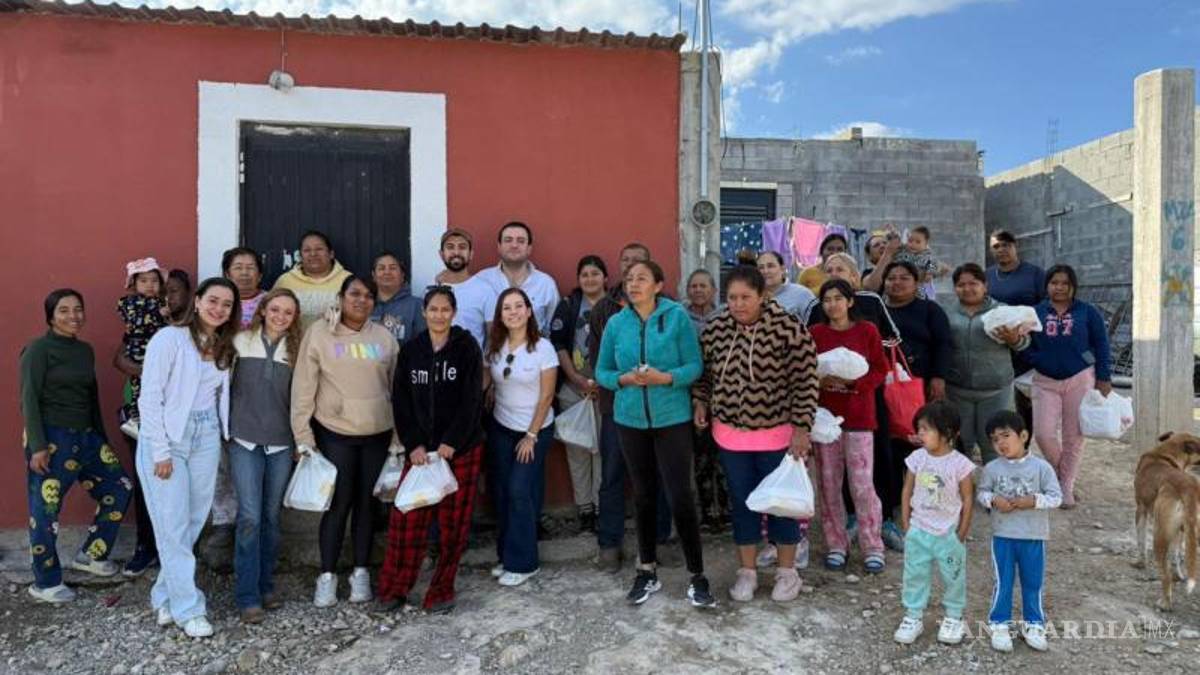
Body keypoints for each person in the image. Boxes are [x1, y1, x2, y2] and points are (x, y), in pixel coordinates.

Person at [693, 265, 818, 603]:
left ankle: (787, 572)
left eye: (745, 297)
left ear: (763, 296)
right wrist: (701, 401)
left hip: (779, 436)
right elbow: (705, 376)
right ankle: (747, 572)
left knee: (782, 504)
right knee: (743, 504)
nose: (738, 304)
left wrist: (802, 427)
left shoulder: (787, 328)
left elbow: (805, 381)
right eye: (732, 297)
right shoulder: (716, 328)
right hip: (730, 437)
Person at [596, 260, 716, 608]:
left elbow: (694, 366)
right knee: (643, 496)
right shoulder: (616, 323)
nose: (633, 285)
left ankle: (697, 575)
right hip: (630, 420)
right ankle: (646, 570)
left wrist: (666, 378)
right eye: (629, 279)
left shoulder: (676, 317)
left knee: (680, 495)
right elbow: (602, 371)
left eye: (642, 279)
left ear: (659, 285)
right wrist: (623, 379)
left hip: (672, 419)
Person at [137, 277, 240, 638]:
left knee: (194, 521)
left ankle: (164, 595)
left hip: (206, 434)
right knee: (172, 524)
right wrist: (161, 450)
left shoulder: (224, 346)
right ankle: (189, 608)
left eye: (226, 304)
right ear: (197, 301)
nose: (218, 309)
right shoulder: (169, 339)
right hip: (168, 438)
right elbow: (150, 398)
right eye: (213, 300)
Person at [291, 275, 399, 608]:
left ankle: (361, 572)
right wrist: (303, 436)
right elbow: (303, 387)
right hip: (335, 432)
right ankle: (327, 576)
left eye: (368, 296)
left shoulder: (384, 337)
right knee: (338, 506)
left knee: (367, 505)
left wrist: (398, 438)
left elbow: (397, 389)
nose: (361, 300)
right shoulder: (319, 334)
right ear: (340, 297)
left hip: (377, 434)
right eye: (354, 293)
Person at [21, 289, 132, 603]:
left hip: (86, 437)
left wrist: (101, 439)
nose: (73, 316)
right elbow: (28, 397)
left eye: (78, 309)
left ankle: (91, 555)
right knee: (45, 511)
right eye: (64, 310)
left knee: (120, 487)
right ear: (51, 316)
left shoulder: (84, 350)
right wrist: (38, 446)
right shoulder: (38, 350)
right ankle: (45, 583)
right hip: (51, 438)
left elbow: (91, 397)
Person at [379, 286, 484, 613]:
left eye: (445, 309)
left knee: (454, 526)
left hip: (460, 450)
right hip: (421, 454)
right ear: (424, 313)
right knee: (406, 521)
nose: (439, 315)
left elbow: (472, 399)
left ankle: (441, 590)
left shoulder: (467, 348)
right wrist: (413, 444)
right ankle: (394, 589)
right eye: (433, 309)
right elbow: (402, 401)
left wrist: (452, 441)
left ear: (454, 313)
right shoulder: (412, 350)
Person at [587, 242, 672, 572]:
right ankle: (609, 544)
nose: (631, 268)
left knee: (658, 476)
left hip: (659, 409)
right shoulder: (603, 310)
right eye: (626, 261)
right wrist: (622, 380)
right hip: (617, 407)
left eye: (638, 263)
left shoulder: (668, 309)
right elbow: (599, 362)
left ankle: (659, 541)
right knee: (612, 476)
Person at [227, 289, 302, 623]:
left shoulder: (297, 350)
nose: (280, 317)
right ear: (262, 310)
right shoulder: (240, 342)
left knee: (271, 517)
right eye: (275, 309)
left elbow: (303, 398)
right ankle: (247, 595)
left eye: (288, 312)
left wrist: (301, 440)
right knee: (250, 517)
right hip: (244, 440)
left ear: (295, 318)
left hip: (281, 443)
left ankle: (265, 584)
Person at [809, 279, 889, 573]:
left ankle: (872, 545)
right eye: (827, 299)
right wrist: (820, 381)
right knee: (828, 484)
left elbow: (880, 368)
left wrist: (854, 384)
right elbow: (805, 370)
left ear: (850, 301)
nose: (832, 305)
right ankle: (836, 544)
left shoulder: (867, 331)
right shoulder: (815, 333)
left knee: (862, 485)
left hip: (859, 419)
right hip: (824, 420)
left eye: (838, 298)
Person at [484, 288, 559, 587]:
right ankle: (507, 557)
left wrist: (531, 435)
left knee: (519, 490)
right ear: (500, 315)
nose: (513, 312)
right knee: (503, 492)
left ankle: (525, 563)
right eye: (507, 308)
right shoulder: (495, 345)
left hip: (534, 429)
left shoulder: (543, 348)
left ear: (529, 311)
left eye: (518, 306)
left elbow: (547, 396)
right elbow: (491, 378)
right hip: (502, 427)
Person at [1024, 264, 1112, 508]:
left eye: (1065, 283)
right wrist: (1037, 359)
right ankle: (1061, 474)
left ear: (1073, 286)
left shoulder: (1087, 312)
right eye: (1054, 283)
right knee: (1043, 434)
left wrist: (1104, 377)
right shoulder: (1035, 312)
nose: (1059, 287)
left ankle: (1066, 487)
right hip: (1045, 381)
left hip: (1080, 379)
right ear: (1047, 286)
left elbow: (1102, 344)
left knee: (1074, 436)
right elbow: (1024, 344)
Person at [879, 261, 952, 551]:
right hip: (886, 388)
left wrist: (939, 377)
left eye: (904, 278)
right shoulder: (879, 309)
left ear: (916, 282)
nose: (896, 283)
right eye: (891, 278)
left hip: (921, 389)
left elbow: (944, 344)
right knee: (891, 446)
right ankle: (894, 507)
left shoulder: (930, 310)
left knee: (922, 444)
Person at [977, 410, 1061, 653]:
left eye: (1006, 435)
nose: (1001, 443)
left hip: (1033, 536)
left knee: (1032, 582)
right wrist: (993, 500)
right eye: (995, 439)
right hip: (1003, 536)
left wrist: (1033, 501)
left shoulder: (1042, 468)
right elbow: (982, 493)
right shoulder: (992, 468)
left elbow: (1056, 497)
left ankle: (1033, 624)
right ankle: (999, 624)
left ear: (1023, 436)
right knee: (1003, 581)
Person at [893, 401, 975, 646]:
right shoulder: (917, 458)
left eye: (926, 429)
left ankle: (954, 617)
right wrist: (907, 523)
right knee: (915, 574)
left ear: (947, 432)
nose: (920, 434)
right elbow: (906, 490)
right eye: (919, 428)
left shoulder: (960, 464)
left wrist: (961, 532)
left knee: (953, 576)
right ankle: (913, 616)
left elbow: (967, 498)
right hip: (919, 529)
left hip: (948, 532)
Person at [944, 264, 1029, 465]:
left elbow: (1025, 343)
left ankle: (995, 483)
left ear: (985, 286)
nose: (967, 288)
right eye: (961, 285)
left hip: (995, 390)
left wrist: (1014, 339)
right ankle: (963, 483)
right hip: (957, 389)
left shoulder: (1003, 310)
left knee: (994, 443)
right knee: (960, 443)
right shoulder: (947, 312)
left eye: (973, 283)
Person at [549, 256, 608, 533]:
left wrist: (602, 382)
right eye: (584, 274)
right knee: (578, 450)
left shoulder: (616, 306)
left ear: (605, 278)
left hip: (607, 390)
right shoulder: (568, 305)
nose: (590, 279)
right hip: (574, 390)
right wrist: (575, 377)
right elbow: (558, 343)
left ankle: (601, 506)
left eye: (595, 273)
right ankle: (584, 508)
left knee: (603, 451)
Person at [985, 230, 1046, 434]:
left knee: (1024, 402)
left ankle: (1023, 443)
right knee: (999, 401)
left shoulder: (1035, 274)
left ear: (1015, 246)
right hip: (995, 348)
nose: (1001, 249)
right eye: (996, 246)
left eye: (1006, 245)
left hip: (1027, 347)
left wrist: (1025, 322)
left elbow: (1046, 305)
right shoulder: (987, 276)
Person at [683, 268, 727, 530]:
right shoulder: (680, 316)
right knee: (700, 456)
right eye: (694, 286)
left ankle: (727, 510)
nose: (698, 290)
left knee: (723, 456)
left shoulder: (726, 315)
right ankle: (707, 511)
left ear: (714, 290)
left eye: (703, 286)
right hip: (690, 393)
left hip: (723, 394)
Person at [473, 221, 560, 335]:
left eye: (521, 241)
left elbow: (553, 329)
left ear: (529, 248)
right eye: (508, 240)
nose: (514, 245)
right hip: (493, 347)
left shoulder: (546, 284)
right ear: (499, 247)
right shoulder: (482, 280)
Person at [116, 257, 169, 437]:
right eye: (144, 281)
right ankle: (135, 419)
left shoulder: (161, 302)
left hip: (157, 353)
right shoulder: (128, 302)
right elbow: (135, 321)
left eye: (154, 281)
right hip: (139, 353)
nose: (149, 285)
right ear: (134, 284)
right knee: (139, 387)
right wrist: (158, 314)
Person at [273, 230, 352, 329]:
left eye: (319, 249)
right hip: (294, 338)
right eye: (307, 250)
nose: (313, 254)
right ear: (300, 256)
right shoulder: (285, 281)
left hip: (337, 338)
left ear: (331, 254)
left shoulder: (348, 280)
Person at [370, 251, 426, 345]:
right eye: (381, 268)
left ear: (402, 275)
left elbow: (424, 343)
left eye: (393, 268)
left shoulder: (417, 305)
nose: (387, 272)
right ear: (374, 275)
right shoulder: (365, 304)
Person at [757, 251, 816, 320]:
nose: (765, 271)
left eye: (770, 266)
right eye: (761, 267)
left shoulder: (802, 294)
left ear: (782, 269)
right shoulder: (753, 296)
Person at [892, 227, 948, 300]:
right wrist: (893, 232)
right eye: (910, 241)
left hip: (917, 286)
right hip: (900, 281)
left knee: (920, 296)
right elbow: (896, 246)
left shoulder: (927, 255)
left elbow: (933, 263)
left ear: (926, 244)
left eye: (918, 242)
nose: (913, 244)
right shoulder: (904, 251)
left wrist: (930, 273)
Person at [223, 246, 267, 329]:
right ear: (227, 275)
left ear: (260, 276)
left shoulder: (270, 301)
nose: (244, 273)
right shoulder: (218, 300)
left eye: (250, 267)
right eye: (238, 267)